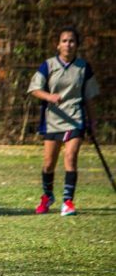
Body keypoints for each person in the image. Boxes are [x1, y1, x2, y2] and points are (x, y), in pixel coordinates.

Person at [28, 25, 99, 216]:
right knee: (48, 163)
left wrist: (93, 122)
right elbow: (34, 89)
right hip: (53, 121)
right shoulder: (48, 65)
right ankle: (47, 196)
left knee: (70, 157)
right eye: (64, 41)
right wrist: (49, 97)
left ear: (77, 45)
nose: (68, 44)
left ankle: (67, 202)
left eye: (72, 41)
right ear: (58, 45)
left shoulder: (83, 68)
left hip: (75, 119)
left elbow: (89, 98)